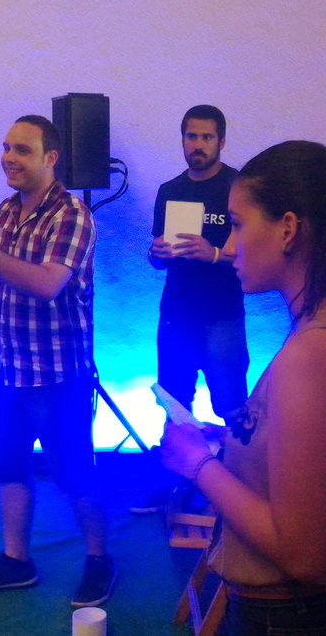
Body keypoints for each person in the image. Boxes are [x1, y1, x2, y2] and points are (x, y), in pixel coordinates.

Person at [160, 140, 326, 634]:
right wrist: (237, 439)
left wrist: (198, 464)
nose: (230, 246)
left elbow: (302, 554)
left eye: (238, 224)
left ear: (288, 230)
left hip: (295, 617)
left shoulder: (313, 355)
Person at [0, 115, 115, 608]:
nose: (8, 158)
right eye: (5, 148)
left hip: (59, 375)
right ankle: (17, 561)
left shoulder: (72, 215)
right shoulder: (6, 210)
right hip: (9, 369)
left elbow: (45, 283)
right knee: (8, 468)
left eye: (21, 150)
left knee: (75, 475)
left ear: (50, 158)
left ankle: (99, 559)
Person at [133, 104, 249, 514]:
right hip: (176, 314)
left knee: (232, 406)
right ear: (182, 139)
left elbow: (249, 253)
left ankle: (239, 491)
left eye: (206, 137)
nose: (198, 145)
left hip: (222, 315)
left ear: (221, 141)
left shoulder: (238, 188)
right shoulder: (170, 190)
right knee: (175, 404)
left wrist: (212, 253)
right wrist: (156, 253)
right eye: (191, 136)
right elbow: (157, 260)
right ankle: (175, 487)